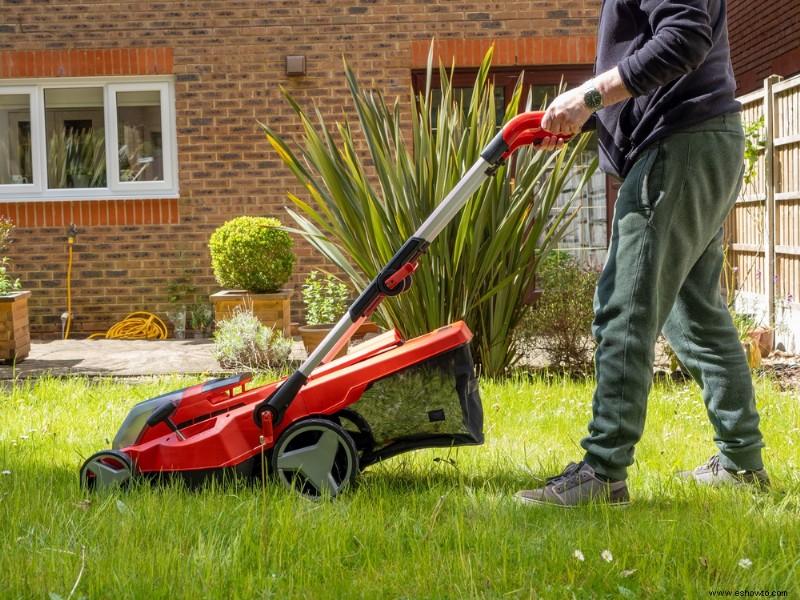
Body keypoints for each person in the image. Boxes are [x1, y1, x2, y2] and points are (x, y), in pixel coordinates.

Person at [515, 0, 769, 507]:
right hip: (698, 140)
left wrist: (588, 96)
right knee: (694, 315)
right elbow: (654, 67)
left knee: (624, 305)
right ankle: (743, 464)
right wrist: (584, 117)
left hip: (680, 144)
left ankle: (604, 471)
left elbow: (684, 38)